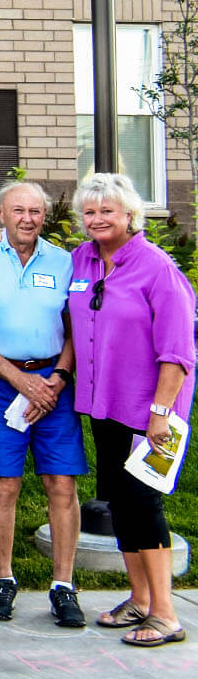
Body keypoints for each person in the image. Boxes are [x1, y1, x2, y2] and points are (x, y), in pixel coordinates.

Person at [0, 180, 86, 627]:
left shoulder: (64, 261)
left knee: (61, 484)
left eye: (36, 211)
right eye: (18, 210)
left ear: (45, 216)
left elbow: (76, 330)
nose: (27, 218)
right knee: (3, 486)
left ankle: (63, 586)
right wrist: (22, 382)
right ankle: (3, 580)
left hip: (52, 384)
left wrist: (57, 378)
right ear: (1, 214)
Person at [65, 173, 193, 647]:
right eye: (90, 212)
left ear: (130, 215)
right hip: (104, 405)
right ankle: (139, 599)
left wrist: (161, 412)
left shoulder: (157, 268)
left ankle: (165, 614)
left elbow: (178, 352)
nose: (97, 219)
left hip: (150, 411)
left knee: (144, 506)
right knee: (120, 505)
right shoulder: (82, 259)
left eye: (107, 211)